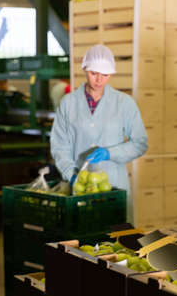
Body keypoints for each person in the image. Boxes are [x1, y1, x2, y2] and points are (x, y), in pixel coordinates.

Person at [51, 44, 148, 224]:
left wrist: (110, 153)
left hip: (114, 186)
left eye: (105, 75)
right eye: (94, 73)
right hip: (81, 187)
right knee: (82, 241)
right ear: (85, 69)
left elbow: (140, 143)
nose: (99, 80)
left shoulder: (124, 103)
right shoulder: (68, 103)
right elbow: (59, 145)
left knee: (117, 242)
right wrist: (70, 173)